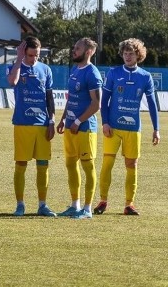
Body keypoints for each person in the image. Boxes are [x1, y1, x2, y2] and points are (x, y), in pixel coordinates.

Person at [96, 38, 160, 216]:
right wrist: (105, 122)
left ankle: (129, 204)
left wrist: (156, 128)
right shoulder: (113, 73)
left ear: (138, 55)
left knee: (132, 165)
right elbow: (104, 100)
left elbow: (152, 104)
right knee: (107, 163)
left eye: (131, 53)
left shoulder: (145, 77)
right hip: (113, 128)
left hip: (133, 129)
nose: (127, 56)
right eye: (125, 53)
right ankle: (102, 201)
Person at [7, 36, 58, 217]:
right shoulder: (15, 67)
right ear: (23, 52)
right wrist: (20, 59)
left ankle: (42, 205)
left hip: (42, 125)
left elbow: (49, 98)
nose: (34, 58)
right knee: (21, 164)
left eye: (36, 55)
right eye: (30, 55)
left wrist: (51, 120)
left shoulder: (45, 69)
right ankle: (20, 204)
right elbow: (12, 82)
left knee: (43, 165)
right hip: (22, 124)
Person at [56, 37, 102, 220]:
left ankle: (88, 208)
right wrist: (63, 119)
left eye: (77, 48)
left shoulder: (92, 73)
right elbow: (71, 98)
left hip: (85, 128)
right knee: (70, 164)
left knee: (87, 166)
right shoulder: (75, 70)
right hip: (70, 126)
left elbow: (96, 104)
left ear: (88, 52)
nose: (74, 50)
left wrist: (77, 122)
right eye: (74, 47)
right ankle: (75, 205)